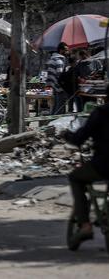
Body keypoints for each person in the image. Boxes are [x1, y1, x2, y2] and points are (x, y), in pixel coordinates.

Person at [63, 83, 109, 249]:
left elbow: (79, 139)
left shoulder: (101, 113)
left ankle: (85, 225)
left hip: (103, 165)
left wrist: (67, 134)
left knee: (76, 177)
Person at [47, 42, 69, 114]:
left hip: (54, 87)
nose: (67, 52)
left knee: (55, 107)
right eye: (65, 50)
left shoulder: (52, 59)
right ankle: (55, 124)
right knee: (59, 109)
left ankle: (51, 122)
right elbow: (60, 76)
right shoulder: (59, 61)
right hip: (59, 88)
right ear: (60, 50)